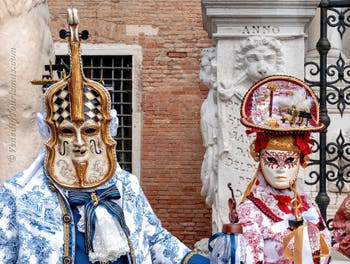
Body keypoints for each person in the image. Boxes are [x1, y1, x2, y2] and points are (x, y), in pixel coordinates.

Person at [0, 8, 209, 264]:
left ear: (105, 131)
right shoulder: (17, 195)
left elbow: (156, 240)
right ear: (50, 132)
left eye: (89, 131)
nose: (78, 143)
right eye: (67, 131)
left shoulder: (126, 186)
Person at [237, 76, 331, 264]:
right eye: (272, 160)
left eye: (289, 161)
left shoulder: (309, 207)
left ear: (301, 161)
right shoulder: (250, 211)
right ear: (259, 159)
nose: (281, 169)